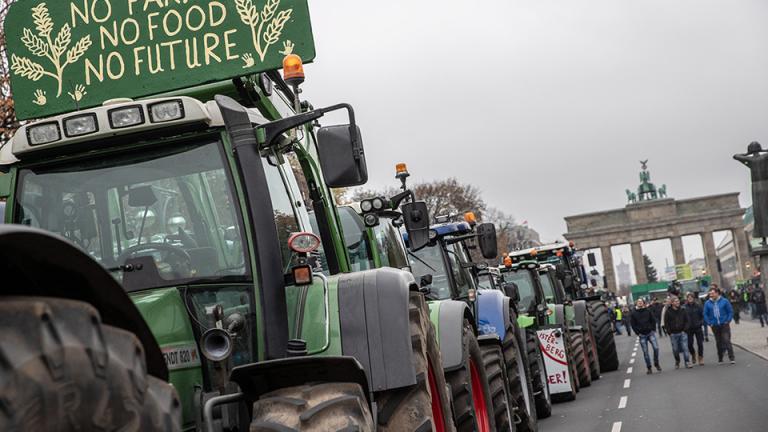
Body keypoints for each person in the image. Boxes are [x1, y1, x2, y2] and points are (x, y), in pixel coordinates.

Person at [703, 287, 735, 364]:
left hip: (724, 324)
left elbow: (730, 311)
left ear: (717, 293)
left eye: (713, 293)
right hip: (714, 325)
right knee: (718, 342)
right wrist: (709, 323)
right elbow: (705, 314)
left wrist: (728, 320)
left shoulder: (724, 301)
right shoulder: (707, 303)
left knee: (726, 340)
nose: (711, 295)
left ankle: (732, 357)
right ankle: (720, 358)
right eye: (710, 294)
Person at [630, 298, 662, 374]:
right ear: (636, 303)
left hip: (650, 333)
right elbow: (633, 324)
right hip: (642, 335)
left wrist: (653, 329)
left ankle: (656, 363)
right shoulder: (634, 313)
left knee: (656, 348)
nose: (640, 303)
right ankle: (649, 367)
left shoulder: (648, 311)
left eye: (641, 302)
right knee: (645, 352)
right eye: (638, 302)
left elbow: (653, 320)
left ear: (643, 303)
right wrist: (638, 333)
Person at [664, 296, 691, 368]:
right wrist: (670, 332)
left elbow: (687, 321)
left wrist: (685, 330)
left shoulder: (683, 310)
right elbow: (666, 323)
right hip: (673, 334)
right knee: (675, 349)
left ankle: (687, 362)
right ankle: (677, 360)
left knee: (685, 348)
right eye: (676, 301)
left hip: (683, 332)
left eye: (678, 301)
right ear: (672, 303)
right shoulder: (668, 312)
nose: (678, 302)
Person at [684, 292, 705, 365]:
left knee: (700, 344)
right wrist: (685, 326)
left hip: (698, 327)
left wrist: (701, 322)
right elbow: (683, 318)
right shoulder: (684, 307)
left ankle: (700, 357)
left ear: (693, 298)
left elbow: (703, 316)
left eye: (691, 297)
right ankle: (693, 354)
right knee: (689, 344)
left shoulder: (698, 306)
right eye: (688, 298)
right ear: (687, 299)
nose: (690, 299)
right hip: (689, 328)